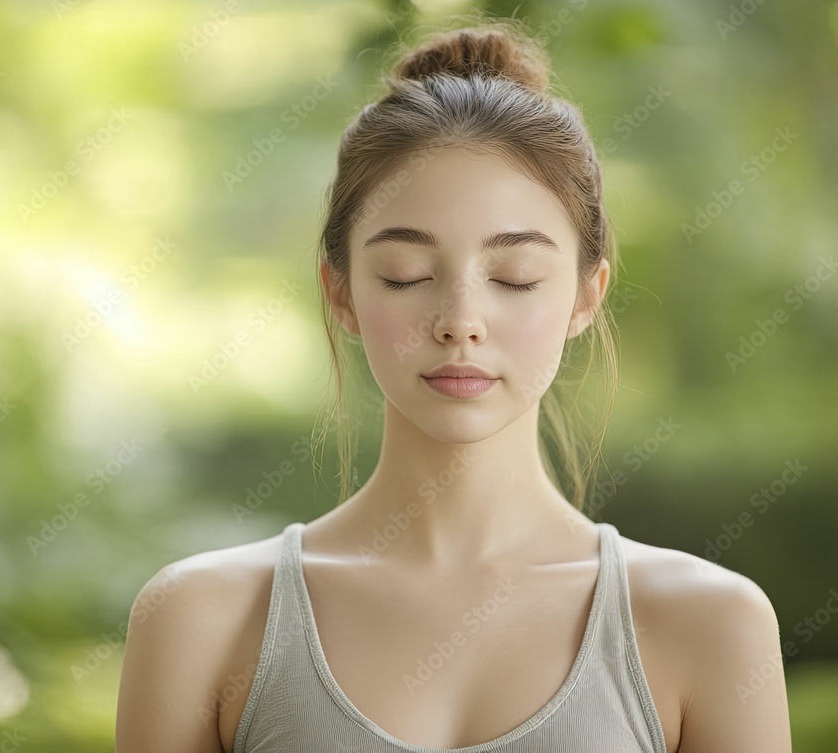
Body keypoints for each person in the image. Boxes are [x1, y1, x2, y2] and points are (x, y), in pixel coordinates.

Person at [115, 19, 792, 753]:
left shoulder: (709, 624)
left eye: (515, 278)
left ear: (585, 296)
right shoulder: (200, 620)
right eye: (406, 275)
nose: (460, 321)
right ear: (340, 293)